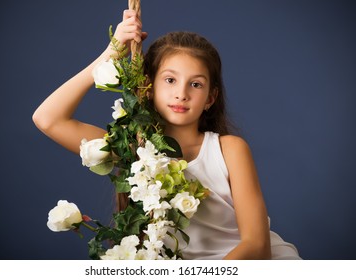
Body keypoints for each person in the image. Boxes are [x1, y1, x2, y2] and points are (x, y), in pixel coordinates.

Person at [33, 10, 301, 260]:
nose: (181, 93)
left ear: (211, 98)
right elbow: (48, 119)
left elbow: (257, 245)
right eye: (170, 80)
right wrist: (112, 52)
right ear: (148, 87)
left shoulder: (229, 149)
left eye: (195, 84)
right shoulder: (131, 150)